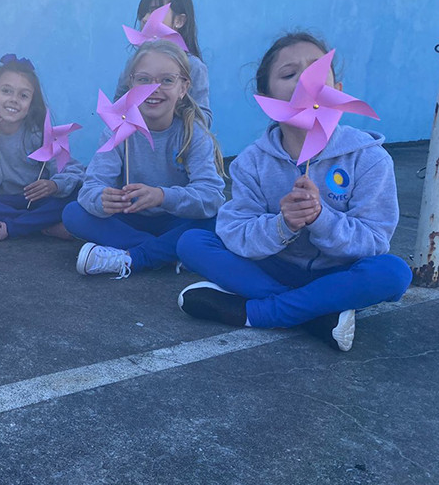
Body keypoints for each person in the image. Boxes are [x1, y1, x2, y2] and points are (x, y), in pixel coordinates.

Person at [175, 32, 411, 351]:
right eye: (289, 74)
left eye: (316, 70)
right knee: (192, 241)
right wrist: (282, 224)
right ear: (267, 98)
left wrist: (321, 218)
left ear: (338, 91)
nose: (304, 81)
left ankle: (257, 312)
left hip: (338, 273)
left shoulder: (369, 158)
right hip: (274, 265)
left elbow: (374, 241)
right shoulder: (251, 163)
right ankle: (316, 314)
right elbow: (235, 231)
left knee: (393, 272)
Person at [64, 40, 225, 278]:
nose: (153, 88)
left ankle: (133, 257)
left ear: (183, 88)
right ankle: (169, 252)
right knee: (73, 213)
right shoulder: (117, 131)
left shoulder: (194, 133)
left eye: (167, 80)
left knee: (219, 220)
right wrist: (102, 199)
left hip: (176, 219)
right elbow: (91, 188)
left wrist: (162, 196)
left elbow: (212, 197)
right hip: (129, 218)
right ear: (131, 84)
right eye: (144, 79)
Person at [0, 54, 84, 243]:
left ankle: (8, 226)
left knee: (77, 194)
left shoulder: (40, 135)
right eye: (6, 91)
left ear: (31, 105)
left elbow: (74, 171)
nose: (14, 100)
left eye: (23, 95)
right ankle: (39, 225)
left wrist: (54, 185)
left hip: (35, 201)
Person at [115, 0, 212, 126]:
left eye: (154, 12)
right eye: (143, 14)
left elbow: (203, 120)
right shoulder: (135, 62)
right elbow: (118, 107)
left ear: (179, 21)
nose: (145, 19)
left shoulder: (193, 66)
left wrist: (166, 113)